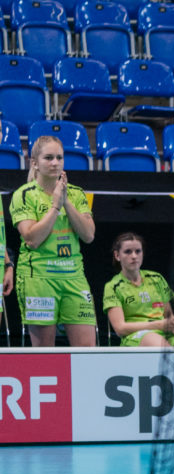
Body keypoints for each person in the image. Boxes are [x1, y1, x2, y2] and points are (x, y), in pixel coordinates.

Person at [9, 136, 96, 347]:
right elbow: (32, 239)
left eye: (59, 157)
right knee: (44, 354)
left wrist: (65, 201)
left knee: (88, 353)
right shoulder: (24, 195)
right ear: (35, 163)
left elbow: (88, 235)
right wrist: (55, 207)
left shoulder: (75, 193)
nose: (55, 162)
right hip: (38, 279)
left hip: (74, 277)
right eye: (48, 158)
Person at [103, 232, 174, 348]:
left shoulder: (157, 278)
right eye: (128, 252)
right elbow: (120, 329)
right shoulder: (112, 286)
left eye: (138, 251)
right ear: (117, 255)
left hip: (165, 333)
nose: (134, 256)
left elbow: (168, 315)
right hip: (137, 336)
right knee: (164, 349)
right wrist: (158, 325)